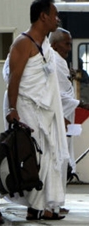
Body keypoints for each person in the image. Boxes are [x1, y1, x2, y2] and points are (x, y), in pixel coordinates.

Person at [0, 0, 70, 223]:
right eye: (54, 14)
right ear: (43, 16)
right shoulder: (23, 43)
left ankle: (37, 207)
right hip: (24, 107)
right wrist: (11, 109)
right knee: (27, 159)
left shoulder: (45, 45)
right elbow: (14, 81)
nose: (57, 19)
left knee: (46, 158)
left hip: (44, 111)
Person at [50, 28, 89, 214]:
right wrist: (80, 103)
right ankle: (52, 203)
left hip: (65, 116)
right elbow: (58, 95)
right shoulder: (54, 61)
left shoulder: (61, 62)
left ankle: (57, 202)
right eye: (66, 43)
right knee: (57, 161)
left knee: (63, 161)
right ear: (55, 44)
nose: (69, 47)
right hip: (59, 117)